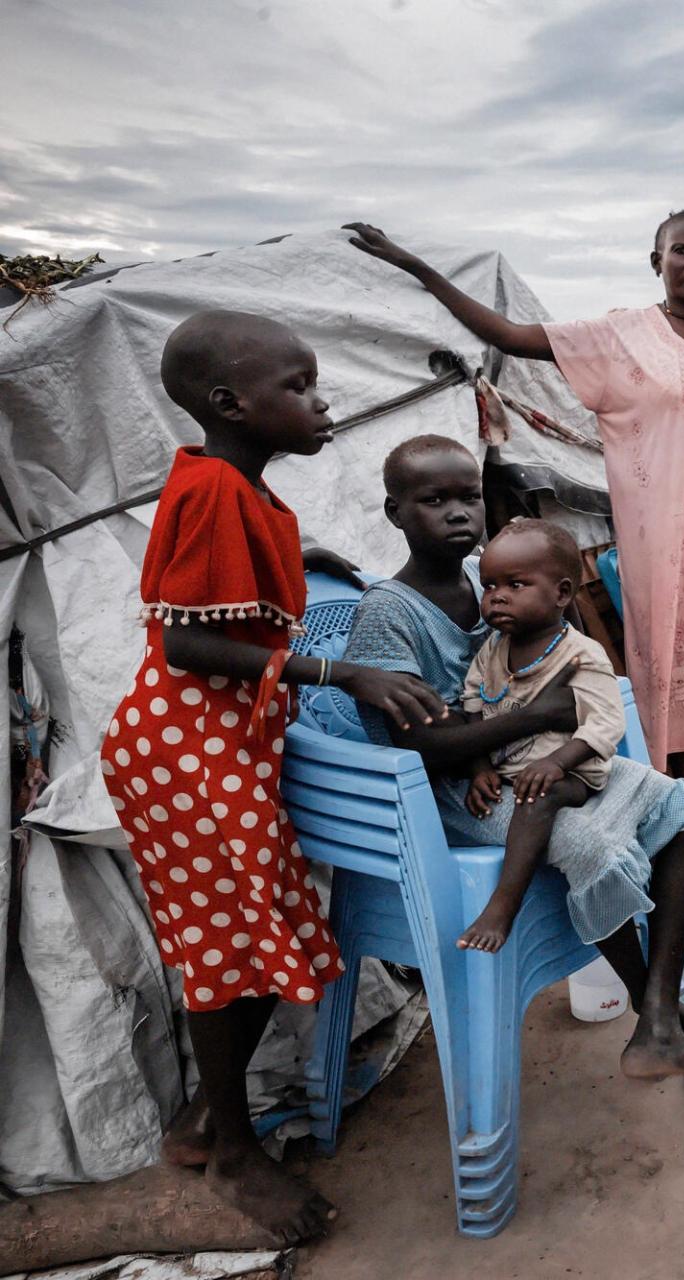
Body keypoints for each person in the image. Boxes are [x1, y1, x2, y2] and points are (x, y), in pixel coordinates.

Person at [101, 312, 448, 1241]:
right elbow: (183, 637)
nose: (320, 400)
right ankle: (234, 1152)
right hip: (187, 752)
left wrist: (303, 560)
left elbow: (215, 577)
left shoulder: (235, 485)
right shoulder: (214, 488)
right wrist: (343, 670)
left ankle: (210, 1120)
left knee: (257, 934)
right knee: (225, 951)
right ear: (231, 404)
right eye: (297, 387)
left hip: (221, 749)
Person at [346, 214, 684, 876]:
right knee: (674, 681)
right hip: (668, 541)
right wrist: (414, 265)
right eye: (681, 250)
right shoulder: (621, 335)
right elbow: (507, 336)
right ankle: (675, 818)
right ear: (654, 259)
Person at [342, 435, 684, 1084]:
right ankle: (661, 1019)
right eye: (433, 500)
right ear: (395, 514)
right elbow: (420, 743)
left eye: (468, 497)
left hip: (534, 757)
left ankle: (659, 1014)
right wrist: (535, 716)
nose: (456, 513)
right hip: (456, 792)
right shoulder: (388, 613)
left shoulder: (490, 576)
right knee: (591, 848)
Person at [454, 519, 622, 953]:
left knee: (538, 798)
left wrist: (556, 763)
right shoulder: (493, 648)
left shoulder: (582, 654)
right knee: (522, 792)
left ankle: (502, 907)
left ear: (562, 594)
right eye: (489, 586)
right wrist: (479, 767)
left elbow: (605, 723)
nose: (498, 597)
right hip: (511, 768)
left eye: (515, 584)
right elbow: (472, 703)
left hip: (570, 772)